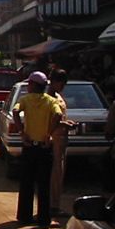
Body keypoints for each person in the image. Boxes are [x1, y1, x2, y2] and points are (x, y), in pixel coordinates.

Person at [14, 71, 62, 228]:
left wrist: (22, 132)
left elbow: (15, 111)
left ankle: (24, 216)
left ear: (34, 85)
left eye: (29, 84)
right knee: (44, 184)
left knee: (26, 182)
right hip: (44, 147)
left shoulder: (25, 100)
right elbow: (58, 114)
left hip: (29, 146)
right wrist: (49, 133)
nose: (28, 86)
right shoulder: (50, 101)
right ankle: (43, 219)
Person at [47, 69, 75, 215]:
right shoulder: (48, 98)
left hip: (61, 139)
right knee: (55, 173)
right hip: (54, 139)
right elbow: (49, 122)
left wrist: (66, 123)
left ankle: (54, 204)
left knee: (58, 173)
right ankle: (52, 206)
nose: (63, 87)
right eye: (61, 84)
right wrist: (64, 125)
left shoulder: (57, 96)